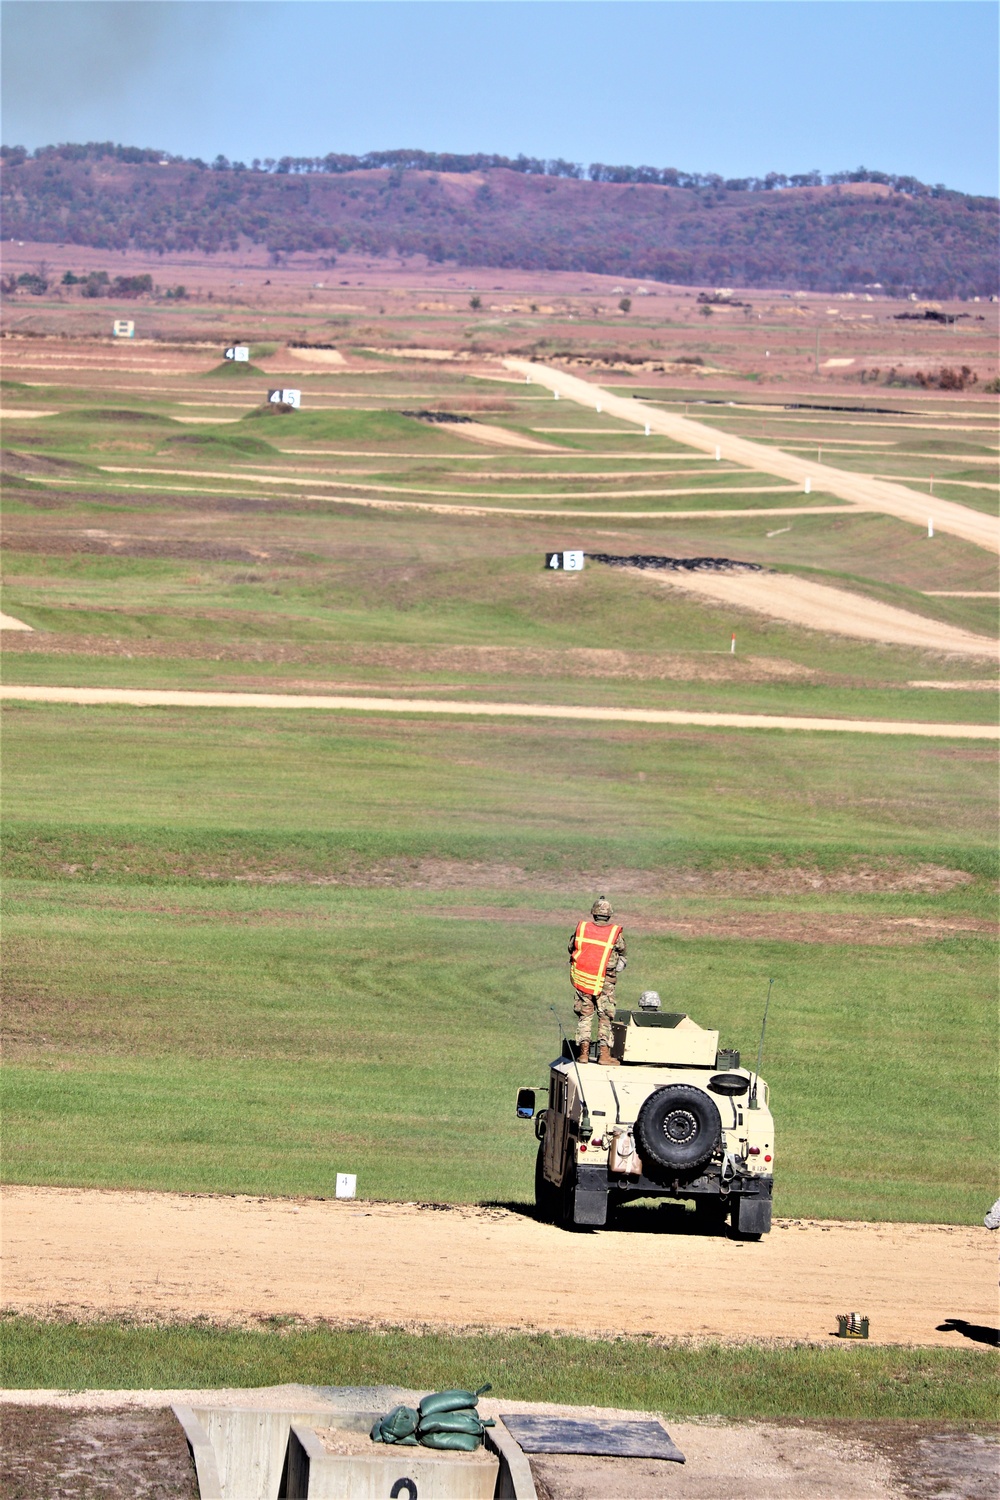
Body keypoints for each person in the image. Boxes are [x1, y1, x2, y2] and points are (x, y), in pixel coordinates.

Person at [569, 897, 626, 1066]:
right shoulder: (614, 933)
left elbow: (571, 946)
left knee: (585, 1016)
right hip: (604, 982)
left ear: (593, 913)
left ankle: (584, 1054)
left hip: (583, 979)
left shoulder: (582, 928)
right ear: (609, 915)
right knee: (605, 1016)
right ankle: (604, 1055)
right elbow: (622, 950)